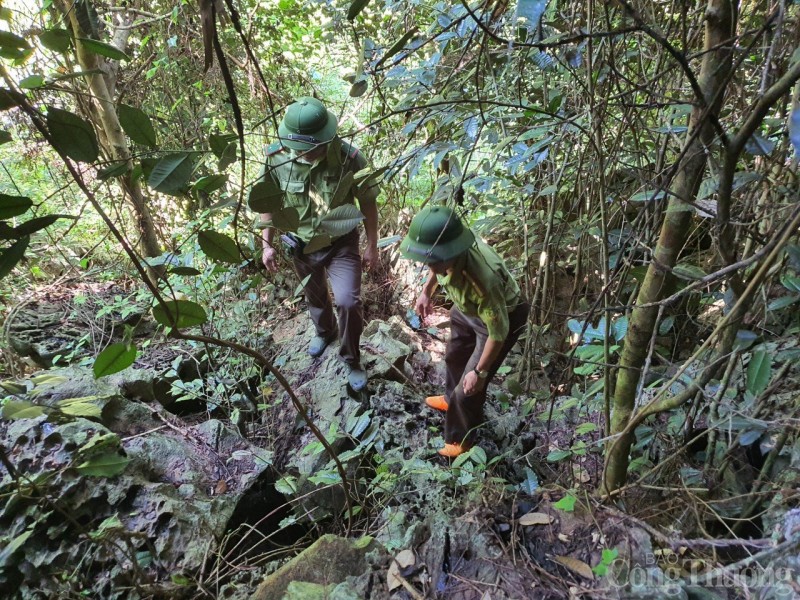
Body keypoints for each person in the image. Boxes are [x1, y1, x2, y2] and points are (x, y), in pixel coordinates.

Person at [259, 97, 379, 391]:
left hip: (341, 243)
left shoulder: (350, 159)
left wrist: (372, 246)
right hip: (300, 244)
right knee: (315, 297)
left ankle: (352, 358)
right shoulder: (277, 157)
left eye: (313, 148)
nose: (307, 154)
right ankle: (324, 331)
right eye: (301, 149)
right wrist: (267, 244)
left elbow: (368, 203)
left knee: (348, 301)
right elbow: (268, 201)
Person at [400, 206, 530, 457]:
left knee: (469, 387)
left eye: (435, 260)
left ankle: (461, 441)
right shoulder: (446, 254)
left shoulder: (483, 281)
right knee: (455, 355)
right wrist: (426, 292)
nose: (430, 265)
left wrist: (480, 373)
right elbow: (435, 265)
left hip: (499, 319)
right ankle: (449, 399)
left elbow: (497, 333)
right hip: (466, 307)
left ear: (451, 253)